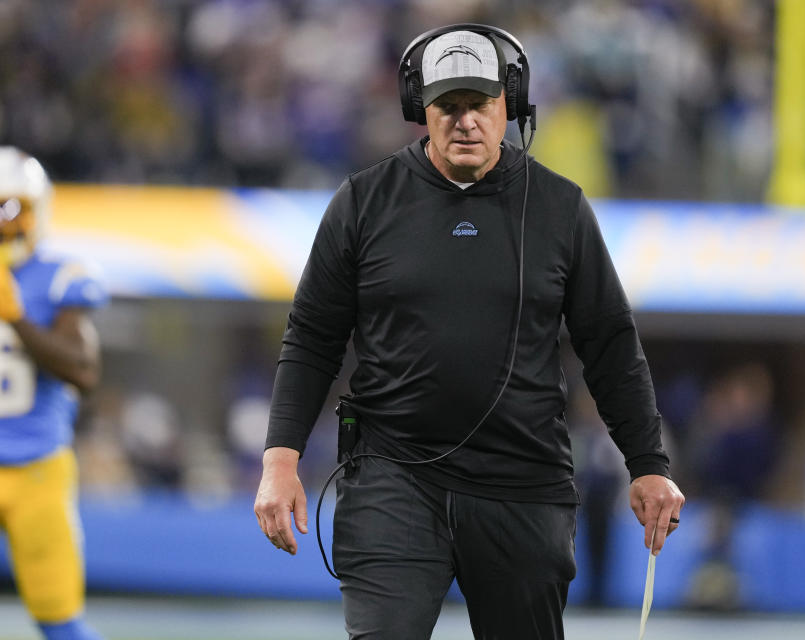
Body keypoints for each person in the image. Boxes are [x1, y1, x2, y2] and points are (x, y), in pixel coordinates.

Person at [254, 24, 684, 639]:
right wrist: (280, 459)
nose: (465, 123)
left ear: (508, 104)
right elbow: (311, 339)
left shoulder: (561, 209)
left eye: (479, 105)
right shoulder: (363, 203)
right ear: (419, 111)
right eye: (447, 107)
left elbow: (610, 344)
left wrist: (647, 463)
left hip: (523, 483)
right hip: (391, 477)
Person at [0, 147, 108, 640]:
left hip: (36, 469)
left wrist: (16, 316)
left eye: (9, 208)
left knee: (59, 622)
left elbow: (84, 371)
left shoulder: (58, 274)